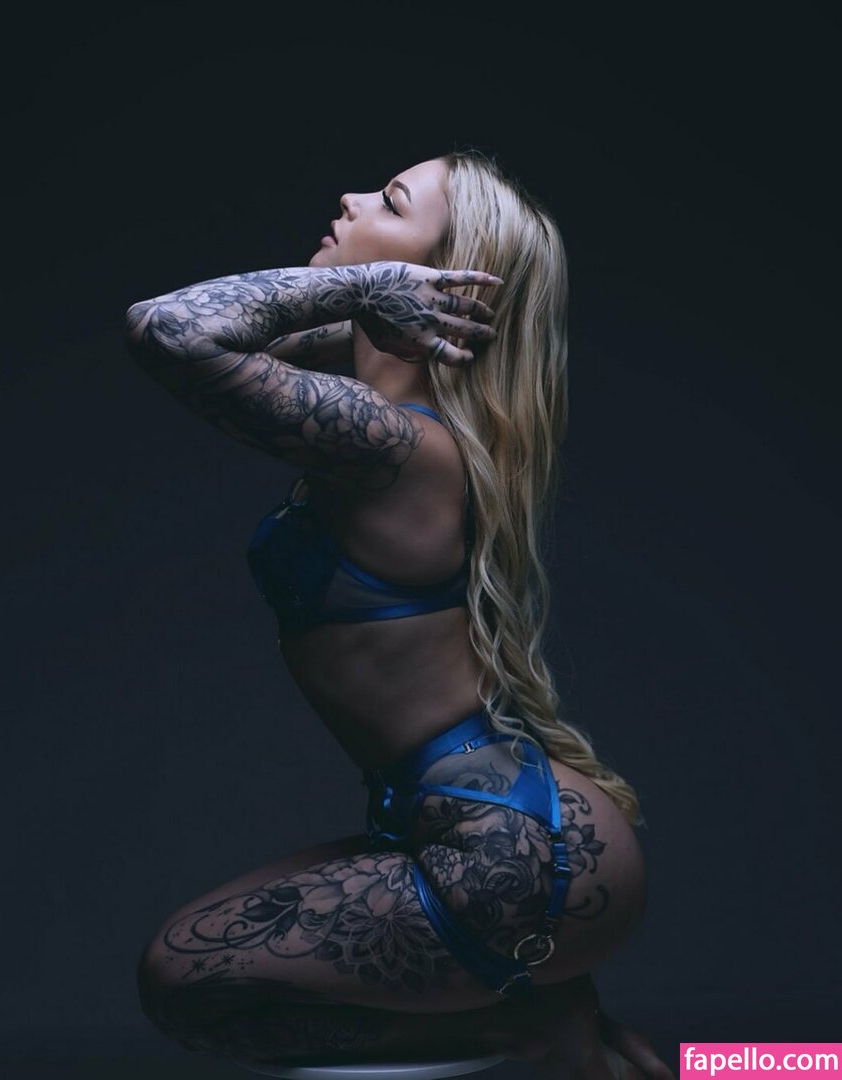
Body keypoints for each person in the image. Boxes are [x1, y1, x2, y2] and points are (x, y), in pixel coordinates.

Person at [126, 149, 673, 1078]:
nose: (348, 198)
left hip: (510, 848)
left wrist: (370, 285)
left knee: (186, 980)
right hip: (475, 828)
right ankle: (542, 1015)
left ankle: (537, 1028)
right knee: (189, 975)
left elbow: (168, 328)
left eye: (389, 201)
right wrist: (373, 305)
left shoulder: (403, 450)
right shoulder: (380, 422)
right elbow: (224, 339)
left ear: (440, 279)